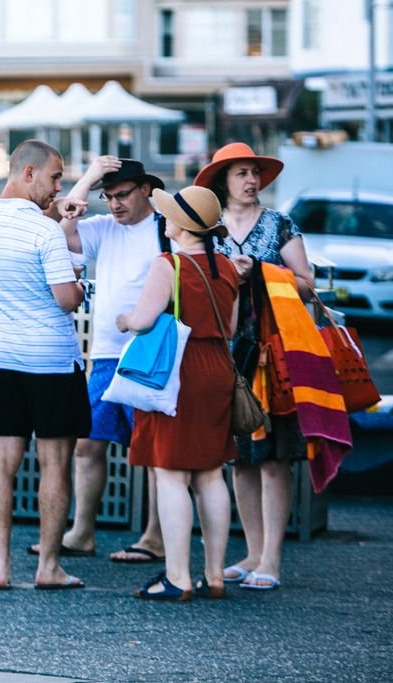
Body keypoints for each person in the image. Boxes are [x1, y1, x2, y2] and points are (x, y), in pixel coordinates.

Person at [0, 139, 91, 591]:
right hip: (52, 362)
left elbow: (19, 230)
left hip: (1, 358)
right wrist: (79, 281)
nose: (58, 187)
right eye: (55, 177)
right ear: (29, 174)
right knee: (55, 464)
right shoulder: (45, 234)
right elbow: (65, 300)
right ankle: (49, 567)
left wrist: (57, 217)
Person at [194, 142, 315, 591]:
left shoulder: (281, 225)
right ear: (223, 181)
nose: (251, 180)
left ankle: (272, 558)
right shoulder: (209, 229)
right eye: (241, 173)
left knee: (274, 459)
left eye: (255, 172)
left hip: (272, 350)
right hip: (226, 351)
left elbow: (307, 285)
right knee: (240, 458)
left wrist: (259, 273)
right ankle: (250, 551)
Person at [41, 156, 168, 564]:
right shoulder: (101, 230)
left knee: (153, 452)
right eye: (108, 196)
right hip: (107, 353)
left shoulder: (167, 229)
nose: (115, 204)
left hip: (151, 353)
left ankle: (154, 537)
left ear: (146, 189)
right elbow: (59, 228)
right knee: (87, 444)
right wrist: (89, 177)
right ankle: (82, 532)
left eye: (123, 194)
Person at [116, 185, 239, 601]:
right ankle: (215, 575)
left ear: (183, 226)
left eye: (168, 213)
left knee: (170, 474)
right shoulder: (227, 267)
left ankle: (178, 577)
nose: (163, 218)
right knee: (209, 473)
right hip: (218, 368)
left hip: (177, 372)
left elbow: (144, 320)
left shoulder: (167, 264)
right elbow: (233, 328)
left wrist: (124, 318)